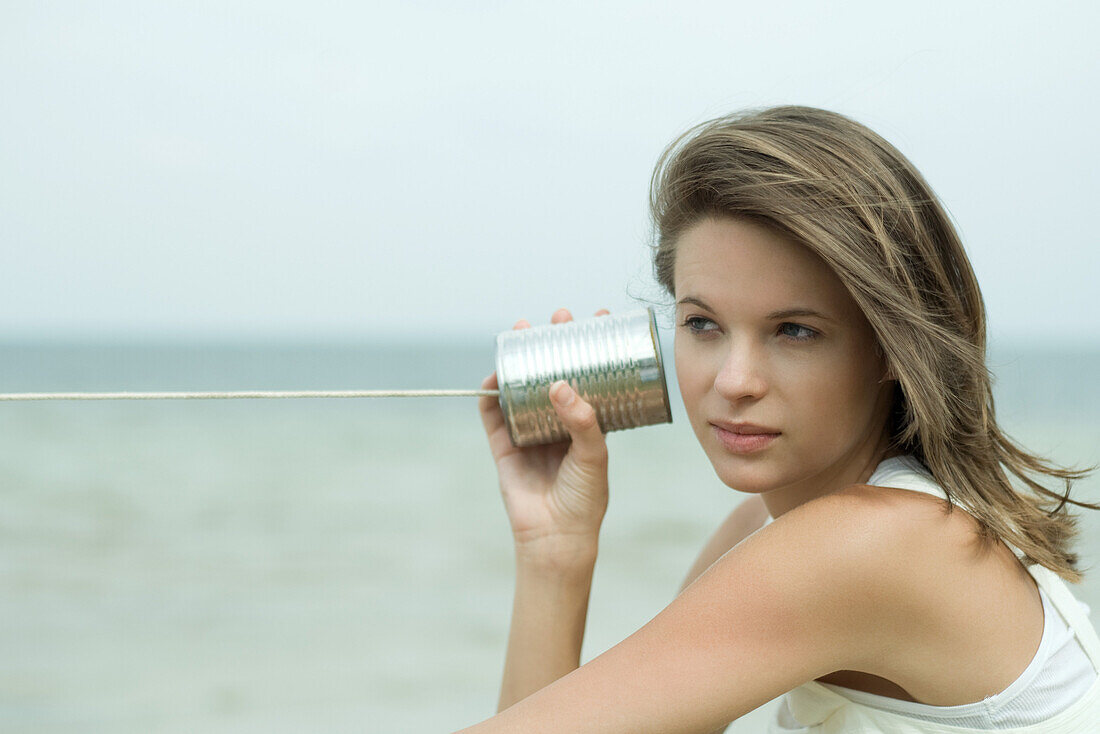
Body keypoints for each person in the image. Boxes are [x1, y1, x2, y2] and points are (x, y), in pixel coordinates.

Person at [460, 106, 1100, 733]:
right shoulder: (771, 528)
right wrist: (554, 551)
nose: (734, 382)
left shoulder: (869, 545)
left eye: (794, 330)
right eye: (702, 323)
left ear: (892, 350)